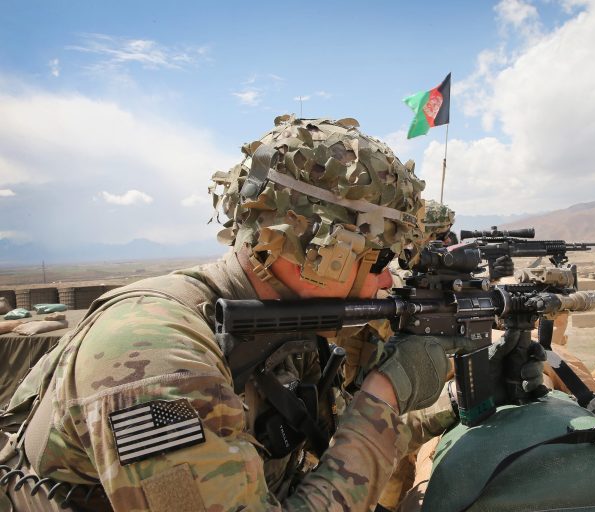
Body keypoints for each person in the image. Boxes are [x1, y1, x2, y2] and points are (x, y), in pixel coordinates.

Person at [2, 115, 527, 511]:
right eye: (381, 257)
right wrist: (384, 394)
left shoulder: (287, 332)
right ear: (314, 249)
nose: (389, 279)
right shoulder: (152, 357)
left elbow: (336, 447)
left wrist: (456, 403)